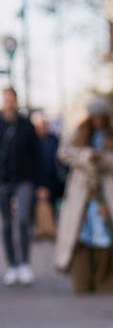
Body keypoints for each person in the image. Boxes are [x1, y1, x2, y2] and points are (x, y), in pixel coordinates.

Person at [55, 96, 113, 293]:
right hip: (82, 191)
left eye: (101, 118)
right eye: (94, 117)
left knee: (106, 235)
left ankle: (105, 280)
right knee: (80, 235)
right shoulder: (78, 132)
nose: (97, 122)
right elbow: (64, 152)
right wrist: (86, 157)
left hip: (107, 193)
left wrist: (104, 159)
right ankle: (82, 280)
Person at [0, 85, 42, 286]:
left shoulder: (26, 125)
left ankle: (25, 263)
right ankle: (12, 265)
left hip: (24, 180)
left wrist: (41, 184)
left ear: (16, 100)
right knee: (7, 224)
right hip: (3, 181)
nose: (9, 102)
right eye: (6, 99)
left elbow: (37, 155)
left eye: (12, 98)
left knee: (23, 219)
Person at [31, 110, 65, 218]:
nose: (42, 128)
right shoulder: (32, 142)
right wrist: (40, 186)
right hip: (37, 183)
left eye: (44, 125)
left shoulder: (54, 140)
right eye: (39, 126)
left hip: (55, 183)